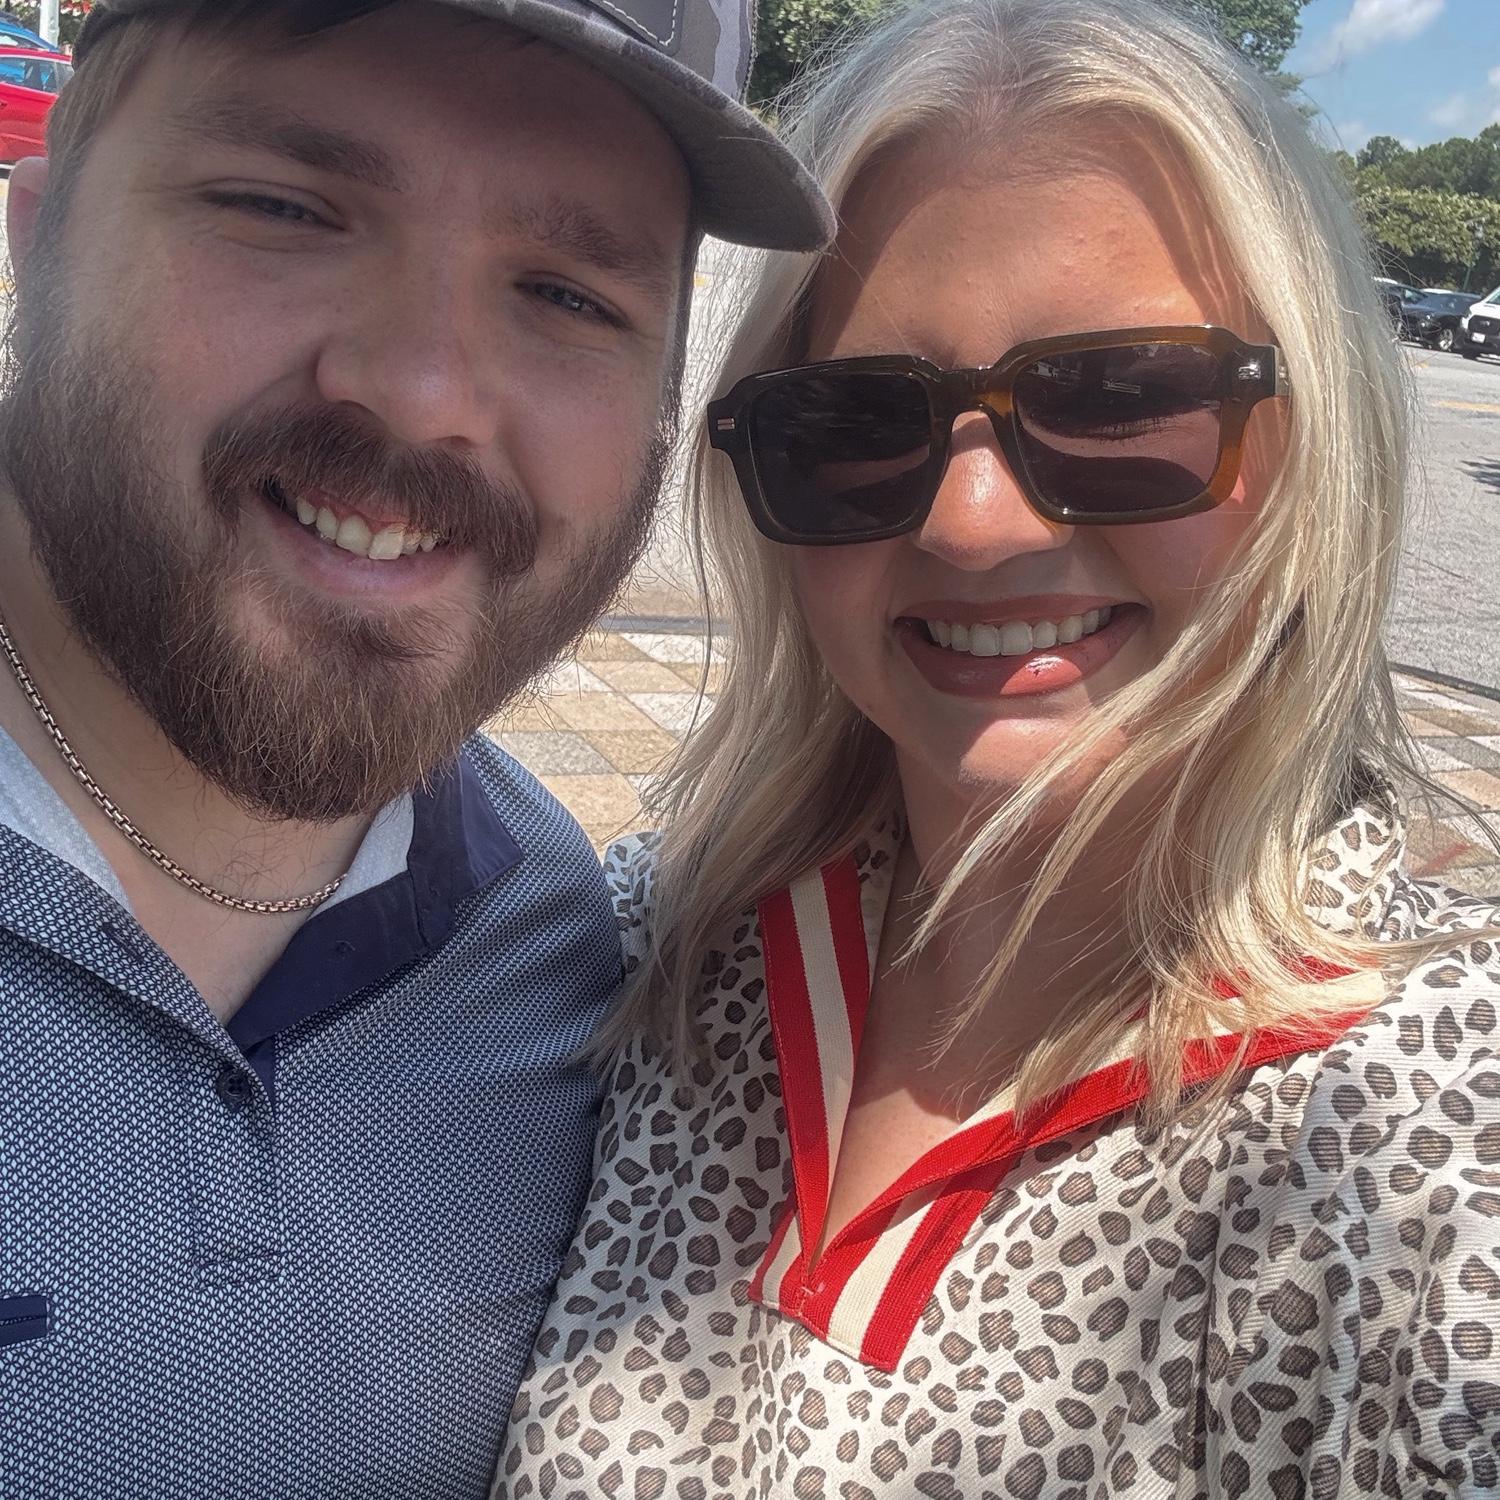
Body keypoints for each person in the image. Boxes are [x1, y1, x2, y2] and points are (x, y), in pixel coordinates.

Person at [495, 0, 1500, 1494]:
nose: (973, 525)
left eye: (1121, 399)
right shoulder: (656, 957)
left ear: (1321, 439)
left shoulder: (1422, 1129)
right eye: (855, 424)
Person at [0, 0, 829, 1495]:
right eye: (282, 207)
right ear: (39, 232)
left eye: (568, 294)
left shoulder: (547, 937)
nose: (426, 391)